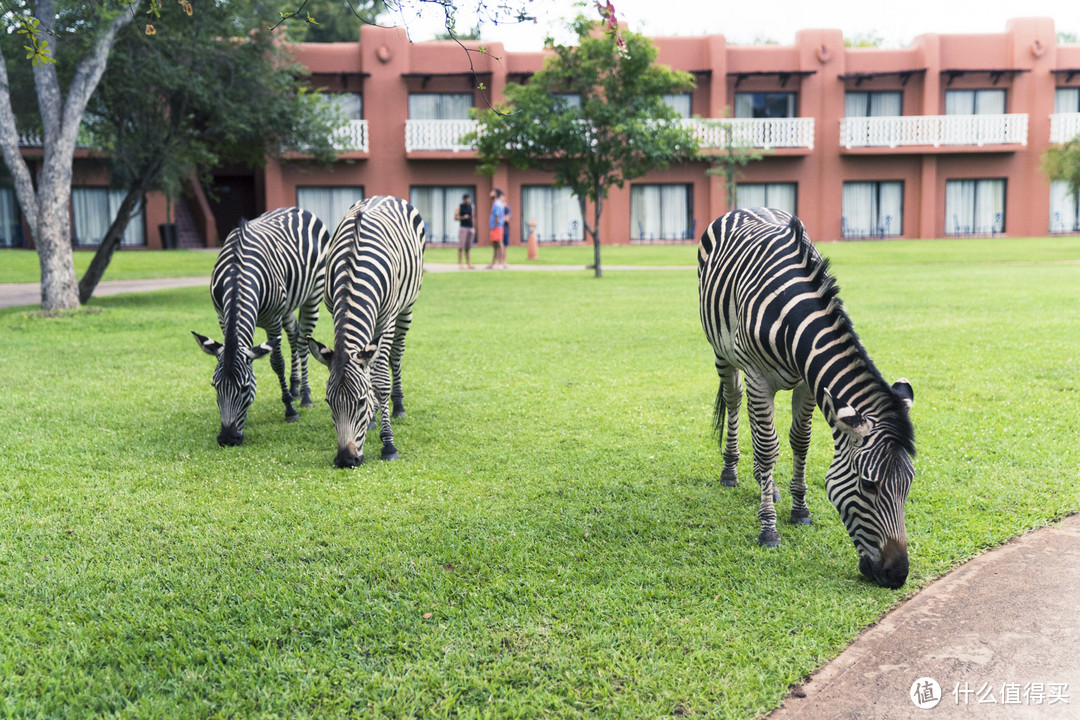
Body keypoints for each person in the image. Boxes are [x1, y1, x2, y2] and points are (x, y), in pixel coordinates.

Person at [454, 193, 475, 269]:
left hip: (470, 228)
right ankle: (460, 264)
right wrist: (463, 217)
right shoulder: (460, 206)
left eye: (469, 199)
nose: (468, 200)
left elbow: (473, 217)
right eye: (467, 199)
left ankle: (469, 264)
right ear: (464, 199)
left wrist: (473, 227)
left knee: (468, 247)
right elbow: (455, 217)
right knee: (461, 246)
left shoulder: (471, 206)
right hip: (463, 228)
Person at [487, 188, 506, 269]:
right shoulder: (496, 203)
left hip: (497, 227)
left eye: (492, 192)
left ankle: (502, 263)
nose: (490, 193)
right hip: (495, 227)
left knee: (499, 244)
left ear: (496, 194)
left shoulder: (497, 204)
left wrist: (494, 226)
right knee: (495, 246)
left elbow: (497, 216)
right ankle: (493, 263)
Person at [501, 200, 511, 270]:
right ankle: (499, 262)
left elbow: (507, 219)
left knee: (505, 246)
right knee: (499, 246)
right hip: (498, 229)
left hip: (505, 230)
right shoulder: (498, 207)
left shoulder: (507, 208)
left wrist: (501, 218)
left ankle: (504, 262)